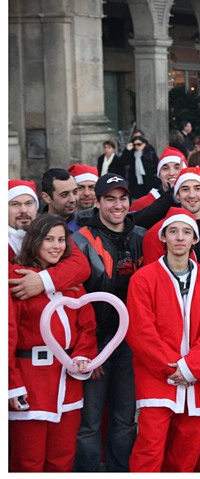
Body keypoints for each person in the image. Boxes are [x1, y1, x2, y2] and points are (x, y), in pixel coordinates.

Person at [126, 207, 200, 472]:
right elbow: (141, 332)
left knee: (186, 456)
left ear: (195, 239)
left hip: (197, 380)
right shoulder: (143, 279)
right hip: (157, 379)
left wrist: (191, 367)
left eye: (186, 232)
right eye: (173, 232)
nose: (180, 237)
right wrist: (173, 367)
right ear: (163, 238)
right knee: (149, 451)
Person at [9, 214, 96, 472]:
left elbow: (87, 327)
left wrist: (83, 356)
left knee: (62, 461)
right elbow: (8, 334)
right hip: (29, 384)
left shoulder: (70, 280)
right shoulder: (15, 277)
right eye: (49, 239)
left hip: (66, 383)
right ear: (34, 240)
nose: (56, 246)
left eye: (61, 240)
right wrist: (12, 386)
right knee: (28, 463)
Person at [71, 174, 146, 472]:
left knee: (125, 418)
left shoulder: (142, 235)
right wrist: (88, 349)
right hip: (96, 339)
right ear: (98, 202)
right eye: (110, 198)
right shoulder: (81, 239)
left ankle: (120, 472)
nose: (118, 205)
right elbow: (76, 296)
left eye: (122, 198)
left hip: (131, 342)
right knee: (88, 420)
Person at [8, 180, 91, 302]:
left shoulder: (51, 229)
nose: (24, 210)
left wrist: (44, 281)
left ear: (36, 207)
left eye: (29, 203)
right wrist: (63, 283)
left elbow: (81, 266)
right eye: (15, 204)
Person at [142, 167, 200, 271]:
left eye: (198, 188)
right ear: (177, 195)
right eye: (185, 189)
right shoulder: (158, 233)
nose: (192, 195)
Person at [129, 146, 187, 225]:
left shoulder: (194, 203)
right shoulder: (141, 204)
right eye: (165, 168)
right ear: (159, 174)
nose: (171, 173)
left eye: (177, 167)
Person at [40, 168, 79, 232]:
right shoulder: (36, 229)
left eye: (75, 192)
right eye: (64, 194)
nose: (72, 199)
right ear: (47, 197)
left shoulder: (87, 225)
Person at [121, 136, 159, 200]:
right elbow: (123, 162)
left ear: (144, 144)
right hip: (135, 184)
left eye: (139, 144)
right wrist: (127, 150)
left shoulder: (150, 153)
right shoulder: (132, 154)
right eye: (134, 145)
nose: (136, 146)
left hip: (148, 183)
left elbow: (155, 166)